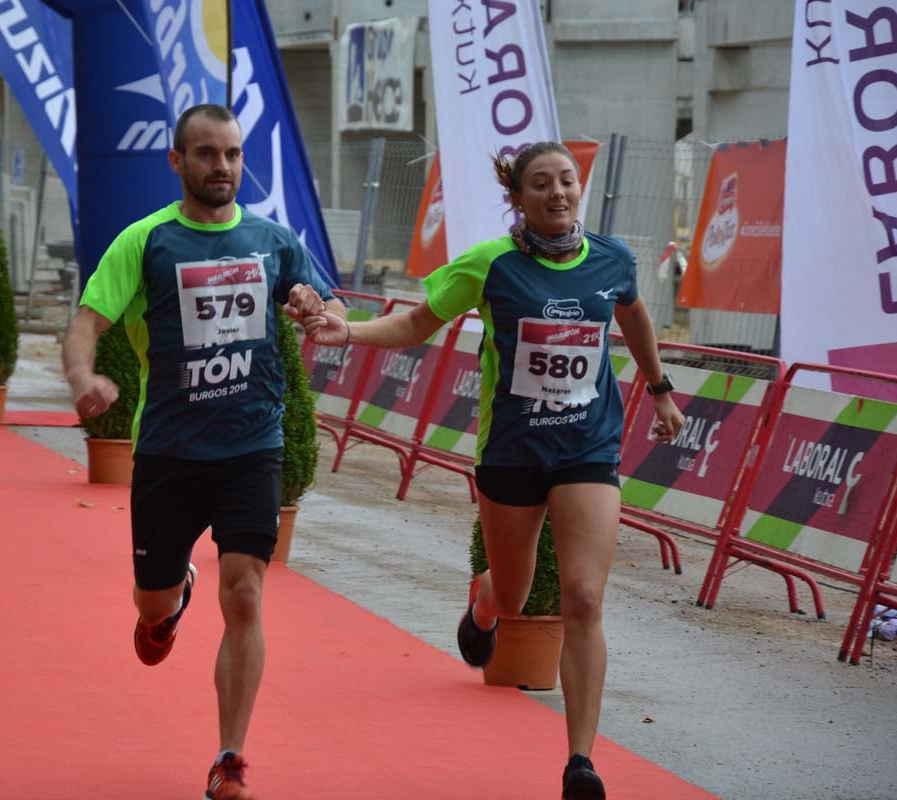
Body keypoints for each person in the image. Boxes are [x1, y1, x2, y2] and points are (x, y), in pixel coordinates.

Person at [295, 141, 685, 800]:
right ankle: (483, 602)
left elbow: (634, 311)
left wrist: (659, 386)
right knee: (513, 595)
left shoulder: (612, 258)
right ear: (519, 197)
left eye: (566, 181)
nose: (558, 193)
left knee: (583, 599)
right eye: (542, 184)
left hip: (588, 448)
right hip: (511, 453)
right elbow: (419, 322)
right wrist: (350, 331)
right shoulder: (490, 264)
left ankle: (581, 764)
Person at [62, 103, 344, 800]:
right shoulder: (147, 242)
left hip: (253, 443)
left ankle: (230, 757)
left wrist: (315, 311)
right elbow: (87, 323)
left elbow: (325, 312)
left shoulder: (275, 241)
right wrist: (83, 377)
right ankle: (169, 597)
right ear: (178, 161)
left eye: (233, 154)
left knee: (246, 591)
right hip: (169, 450)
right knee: (151, 608)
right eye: (208, 154)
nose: (223, 167)